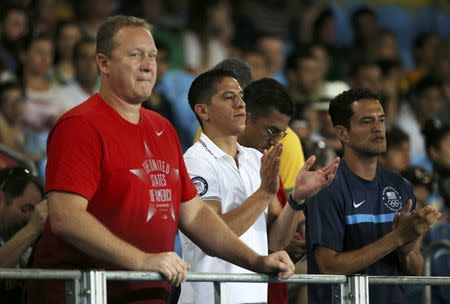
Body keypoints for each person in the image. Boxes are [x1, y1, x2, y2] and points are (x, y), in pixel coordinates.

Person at [27, 16, 295, 304]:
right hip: (85, 293)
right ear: (103, 64)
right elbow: (66, 217)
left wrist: (255, 261)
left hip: (148, 292)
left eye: (152, 55)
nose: (148, 64)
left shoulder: (162, 129)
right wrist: (141, 261)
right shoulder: (80, 125)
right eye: (135, 54)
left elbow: (194, 215)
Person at [180, 69, 338, 303]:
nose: (240, 104)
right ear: (203, 110)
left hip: (254, 293)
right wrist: (264, 193)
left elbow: (274, 243)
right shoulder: (195, 162)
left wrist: (297, 200)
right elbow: (213, 236)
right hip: (210, 295)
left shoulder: (256, 159)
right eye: (228, 97)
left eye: (241, 96)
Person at [305, 88, 442, 304]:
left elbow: (415, 270)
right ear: (343, 133)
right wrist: (395, 238)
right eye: (367, 121)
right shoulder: (327, 188)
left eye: (381, 120)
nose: (378, 128)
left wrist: (406, 248)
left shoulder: (401, 186)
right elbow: (329, 267)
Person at [0, 167, 46, 303]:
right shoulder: (31, 230)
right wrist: (34, 227)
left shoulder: (26, 247)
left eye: (37, 212)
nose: (32, 218)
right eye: (26, 209)